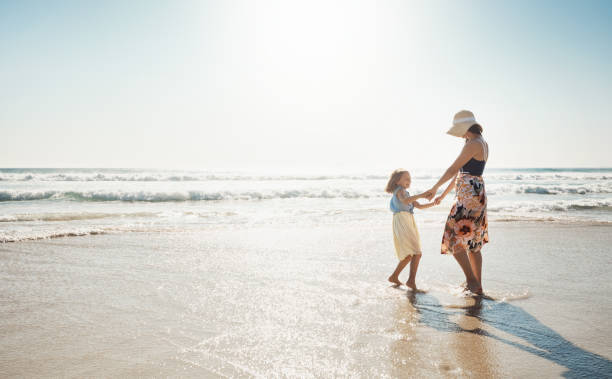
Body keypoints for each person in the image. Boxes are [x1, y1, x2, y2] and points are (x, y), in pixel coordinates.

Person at [424, 110, 489, 295]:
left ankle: (471, 282)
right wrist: (443, 194)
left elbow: (453, 169)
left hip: (468, 196)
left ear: (466, 127)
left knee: (453, 239)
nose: (459, 134)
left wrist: (435, 187)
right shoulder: (478, 142)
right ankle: (477, 285)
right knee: (473, 243)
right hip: (475, 193)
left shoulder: (474, 143)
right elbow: (461, 172)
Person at [386, 169, 436, 289]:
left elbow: (420, 206)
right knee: (416, 253)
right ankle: (411, 281)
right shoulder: (400, 191)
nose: (409, 181)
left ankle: (395, 277)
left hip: (408, 221)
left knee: (412, 254)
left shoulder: (406, 193)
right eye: (406, 178)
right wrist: (422, 194)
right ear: (397, 181)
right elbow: (405, 201)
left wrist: (434, 203)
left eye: (410, 179)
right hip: (402, 221)